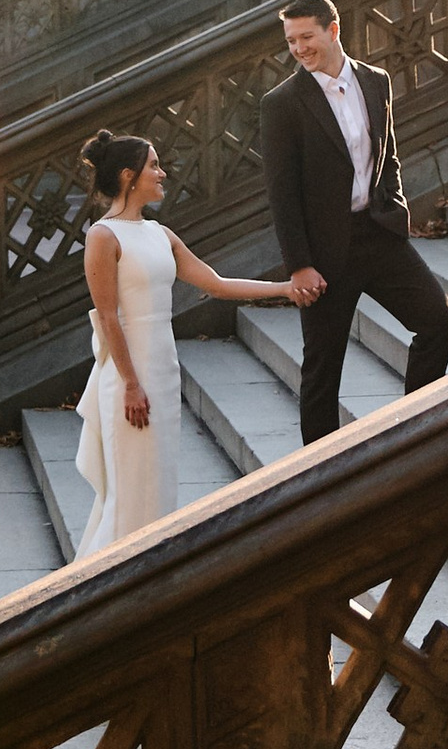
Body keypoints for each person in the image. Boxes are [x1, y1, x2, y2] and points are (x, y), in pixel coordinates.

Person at [73, 129, 304, 558]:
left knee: (158, 487)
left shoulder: (160, 233)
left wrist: (284, 289)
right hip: (130, 380)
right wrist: (130, 384)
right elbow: (107, 316)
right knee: (130, 492)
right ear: (128, 176)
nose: (163, 174)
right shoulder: (103, 237)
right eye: (154, 166)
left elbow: (215, 283)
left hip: (162, 372)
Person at [258, 0, 448, 446]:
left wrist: (397, 206)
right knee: (322, 369)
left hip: (379, 234)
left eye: (306, 36)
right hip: (324, 255)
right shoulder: (282, 104)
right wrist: (298, 265)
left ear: (333, 30)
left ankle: (416, 434)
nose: (299, 48)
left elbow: (388, 155)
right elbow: (281, 194)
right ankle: (319, 478)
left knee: (439, 323)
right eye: (291, 41)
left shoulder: (376, 80)